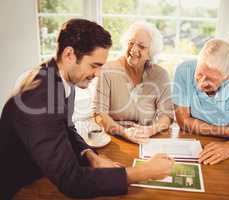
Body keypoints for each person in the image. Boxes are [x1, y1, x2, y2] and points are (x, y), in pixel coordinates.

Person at [0, 19, 174, 200]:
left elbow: (66, 126)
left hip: (40, 171)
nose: (99, 73)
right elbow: (73, 181)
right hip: (15, 187)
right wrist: (144, 172)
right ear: (69, 55)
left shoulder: (61, 76)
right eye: (94, 65)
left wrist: (90, 155)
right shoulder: (39, 99)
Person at [172, 39, 229, 165]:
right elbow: (183, 121)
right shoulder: (184, 70)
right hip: (191, 140)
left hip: (227, 148)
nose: (200, 85)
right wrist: (224, 130)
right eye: (199, 74)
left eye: (210, 79)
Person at [92, 21, 174, 144]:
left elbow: (166, 116)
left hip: (146, 140)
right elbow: (98, 114)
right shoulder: (107, 71)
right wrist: (124, 132)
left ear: (151, 52)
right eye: (131, 43)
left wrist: (150, 130)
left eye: (141, 46)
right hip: (115, 139)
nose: (134, 49)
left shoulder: (160, 75)